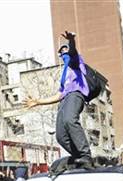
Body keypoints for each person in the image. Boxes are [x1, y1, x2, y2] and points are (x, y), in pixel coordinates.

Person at [25, 31, 92, 166]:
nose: (64, 52)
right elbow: (59, 95)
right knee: (60, 136)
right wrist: (38, 102)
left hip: (76, 95)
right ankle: (78, 157)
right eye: (61, 52)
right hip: (64, 100)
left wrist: (71, 41)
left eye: (65, 49)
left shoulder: (76, 62)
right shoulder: (64, 74)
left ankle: (86, 155)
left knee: (69, 120)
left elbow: (72, 53)